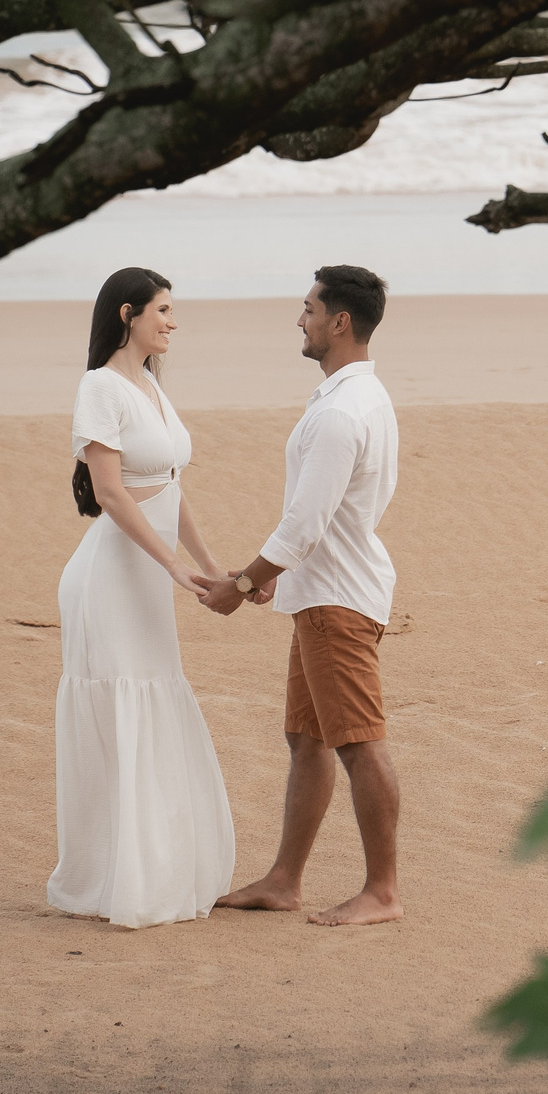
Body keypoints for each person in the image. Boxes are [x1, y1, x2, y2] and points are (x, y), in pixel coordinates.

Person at [197, 265, 405, 928]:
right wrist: (278, 573)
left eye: (309, 307)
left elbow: (306, 522)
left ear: (339, 321)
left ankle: (382, 891)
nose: (300, 318)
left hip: (338, 598)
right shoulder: (355, 397)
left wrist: (243, 583)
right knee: (306, 736)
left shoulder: (344, 411)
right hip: (326, 586)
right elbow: (324, 515)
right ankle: (285, 880)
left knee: (358, 741)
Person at [46, 266, 237, 929]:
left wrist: (215, 569)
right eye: (163, 309)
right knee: (125, 709)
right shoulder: (99, 386)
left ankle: (155, 870)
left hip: (151, 574)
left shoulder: (152, 384)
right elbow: (112, 493)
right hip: (110, 577)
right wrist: (176, 568)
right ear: (128, 314)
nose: (172, 321)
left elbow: (171, 486)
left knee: (157, 699)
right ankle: (113, 879)